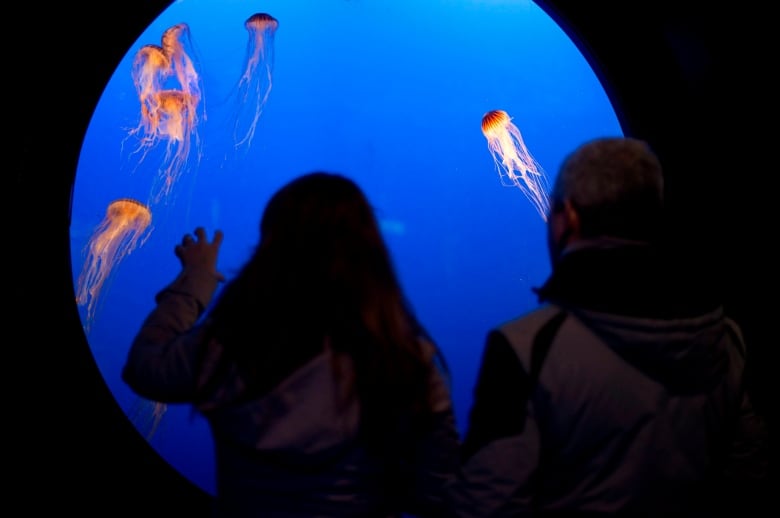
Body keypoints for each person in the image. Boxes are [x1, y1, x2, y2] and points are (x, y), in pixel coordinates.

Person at [448, 137, 769, 516]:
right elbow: (750, 475)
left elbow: (490, 503)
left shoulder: (527, 347)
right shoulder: (725, 337)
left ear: (569, 217)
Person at [122, 171, 460, 518]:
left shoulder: (231, 347)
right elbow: (439, 494)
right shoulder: (406, 362)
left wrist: (195, 283)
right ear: (370, 251)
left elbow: (145, 367)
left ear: (270, 247)